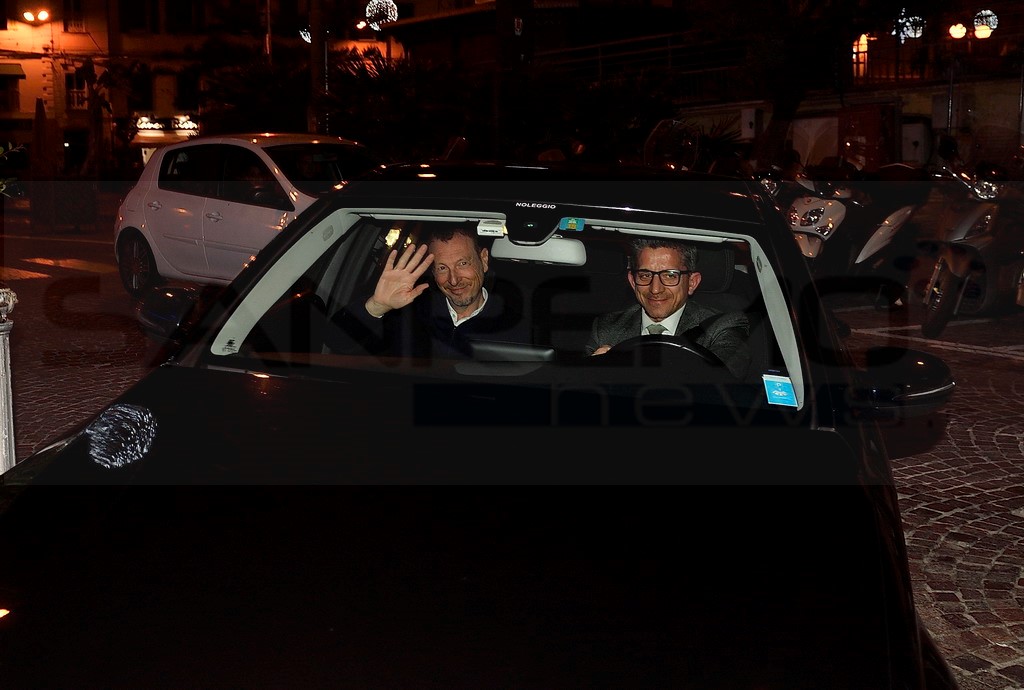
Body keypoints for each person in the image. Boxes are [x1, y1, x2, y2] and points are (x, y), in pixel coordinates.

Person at [330, 225, 524, 358]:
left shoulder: (517, 326)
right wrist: (377, 305)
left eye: (463, 263)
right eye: (442, 268)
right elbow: (336, 342)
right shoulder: (407, 312)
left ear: (484, 260)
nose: (453, 280)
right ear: (432, 271)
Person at [585, 238, 751, 379]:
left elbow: (720, 383)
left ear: (692, 282)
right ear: (633, 281)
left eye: (670, 276)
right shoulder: (607, 328)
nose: (655, 289)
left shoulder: (722, 327)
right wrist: (594, 371)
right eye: (645, 275)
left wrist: (618, 370)